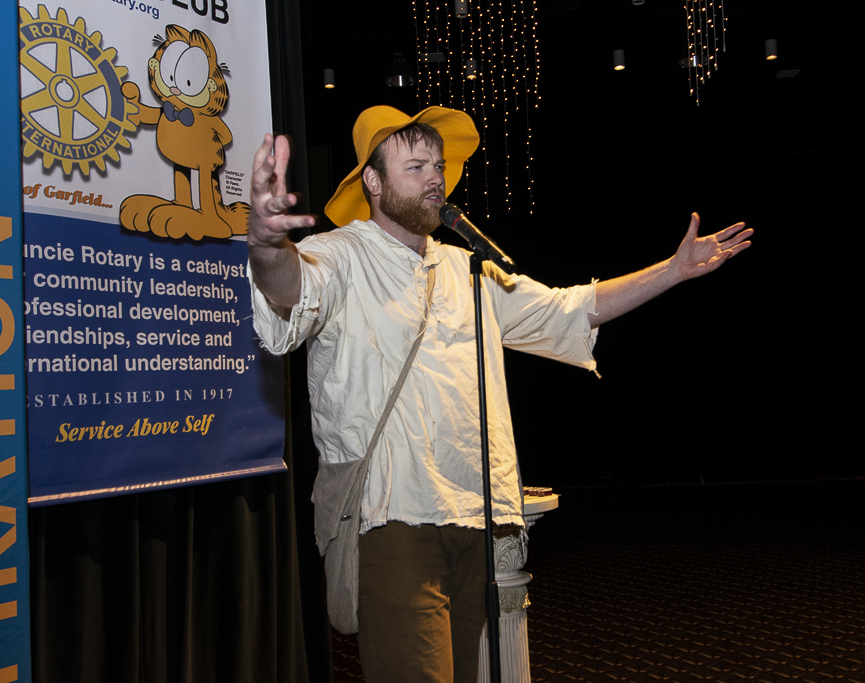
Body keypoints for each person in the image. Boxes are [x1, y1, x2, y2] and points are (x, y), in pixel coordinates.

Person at [247, 105, 752, 683]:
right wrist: (266, 245)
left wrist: (672, 271)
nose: (435, 178)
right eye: (415, 166)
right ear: (374, 182)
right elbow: (290, 289)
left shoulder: (468, 267)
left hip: (474, 515)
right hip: (392, 519)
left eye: (438, 166)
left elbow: (567, 309)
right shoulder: (341, 254)